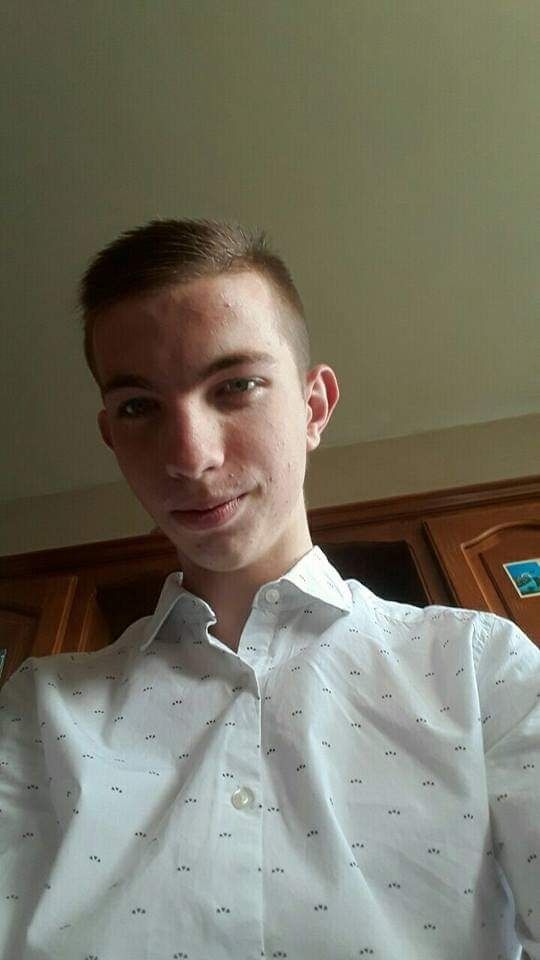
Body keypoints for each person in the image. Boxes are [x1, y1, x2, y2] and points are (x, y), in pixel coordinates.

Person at [0, 218, 538, 960]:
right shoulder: (35, 712)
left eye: (236, 387)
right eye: (139, 407)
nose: (190, 456)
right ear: (110, 437)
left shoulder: (480, 670)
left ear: (314, 407)